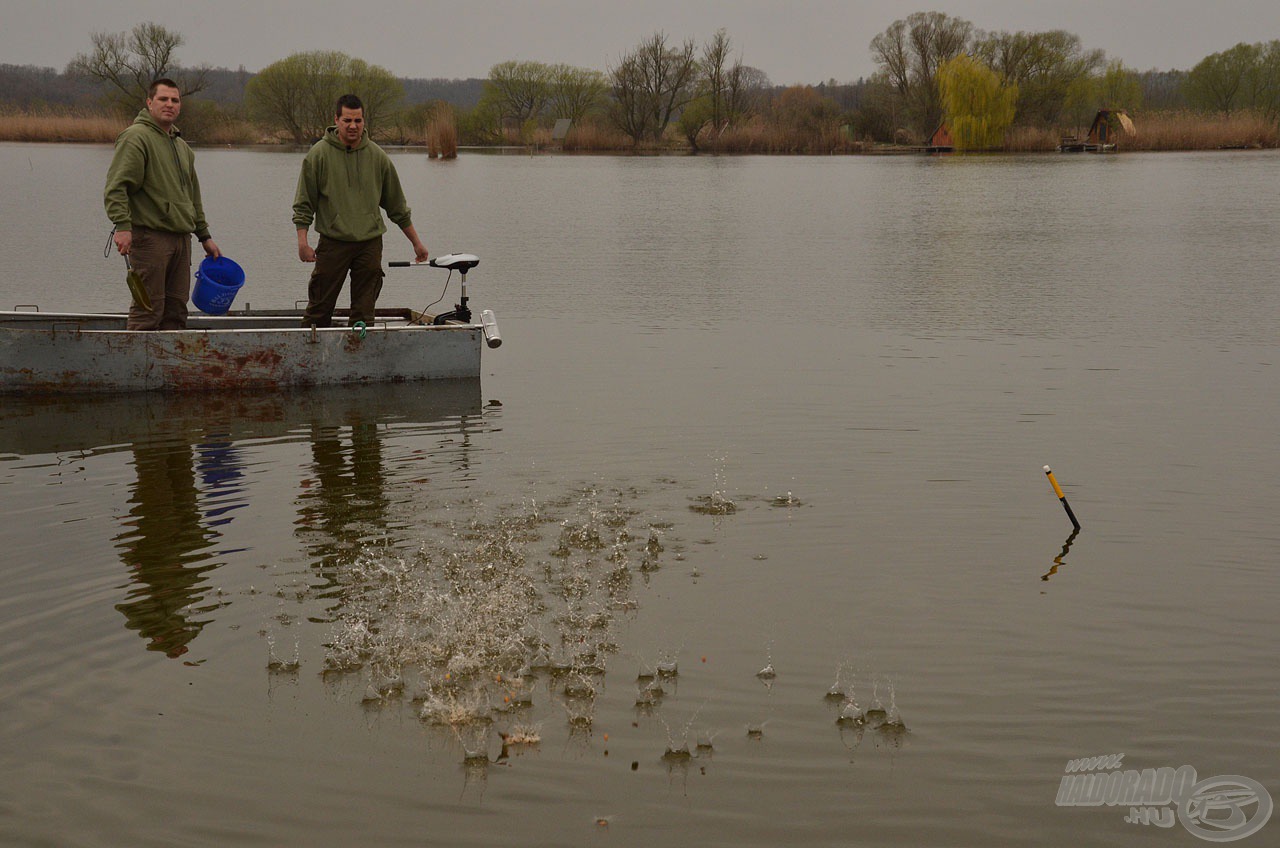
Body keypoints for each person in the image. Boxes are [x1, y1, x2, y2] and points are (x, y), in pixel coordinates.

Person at [293, 94, 429, 327]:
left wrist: (416, 242)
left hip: (369, 244)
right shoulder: (318, 155)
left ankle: (360, 357)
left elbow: (397, 207)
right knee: (319, 309)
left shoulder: (378, 157)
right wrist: (302, 242)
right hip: (333, 243)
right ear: (336, 120)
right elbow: (304, 204)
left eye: (358, 120)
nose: (353, 126)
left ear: (364, 121)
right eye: (347, 120)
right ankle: (310, 358)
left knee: (364, 315)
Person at [104, 78, 221, 330]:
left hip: (181, 240)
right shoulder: (136, 138)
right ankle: (135, 367)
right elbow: (116, 187)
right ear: (149, 103)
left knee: (177, 310)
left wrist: (204, 235)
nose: (170, 104)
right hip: (149, 239)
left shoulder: (181, 146)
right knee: (148, 310)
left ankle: (168, 368)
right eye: (163, 99)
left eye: (175, 100)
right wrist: (123, 226)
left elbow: (192, 196)